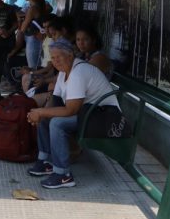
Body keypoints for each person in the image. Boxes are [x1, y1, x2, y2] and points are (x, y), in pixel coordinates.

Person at [25, 38, 122, 189]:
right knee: (47, 117)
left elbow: (71, 110)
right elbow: (56, 101)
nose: (55, 61)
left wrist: (41, 111)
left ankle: (63, 175)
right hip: (88, 114)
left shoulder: (78, 72)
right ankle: (45, 162)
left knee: (57, 123)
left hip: (104, 117)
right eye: (53, 58)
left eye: (59, 57)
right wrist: (40, 114)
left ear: (70, 56)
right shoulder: (64, 72)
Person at [20, 0, 51, 70]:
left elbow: (23, 28)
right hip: (41, 38)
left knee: (33, 66)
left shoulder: (32, 9)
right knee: (40, 63)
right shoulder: (43, 6)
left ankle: (34, 83)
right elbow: (50, 9)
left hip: (33, 39)